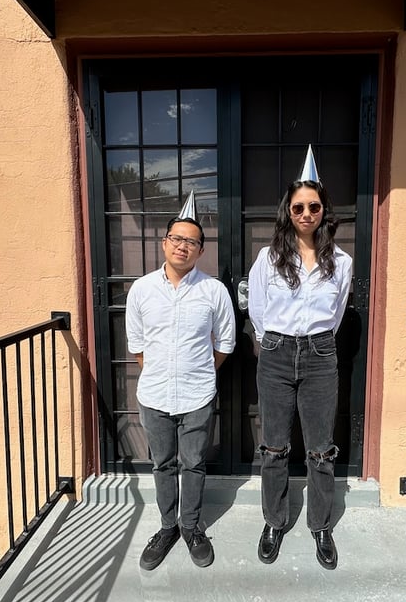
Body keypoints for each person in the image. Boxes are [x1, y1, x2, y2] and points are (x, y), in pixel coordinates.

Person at [248, 145, 353, 570]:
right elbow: (256, 306)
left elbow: (338, 310)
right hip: (275, 353)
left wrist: (315, 343)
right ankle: (275, 521)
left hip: (319, 353)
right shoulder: (269, 257)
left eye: (313, 206)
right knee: (273, 446)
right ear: (288, 212)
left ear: (323, 210)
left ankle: (321, 526)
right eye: (298, 207)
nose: (306, 213)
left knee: (321, 449)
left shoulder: (341, 262)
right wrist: (270, 340)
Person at [125, 192, 237, 570]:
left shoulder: (213, 291)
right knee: (163, 465)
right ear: (165, 242)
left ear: (201, 250)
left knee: (193, 464)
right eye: (177, 239)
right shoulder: (141, 290)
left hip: (197, 394)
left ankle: (191, 528)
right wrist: (160, 371)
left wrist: (200, 371)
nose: (182, 246)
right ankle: (167, 527)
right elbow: (137, 344)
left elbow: (224, 343)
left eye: (191, 241)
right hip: (154, 394)